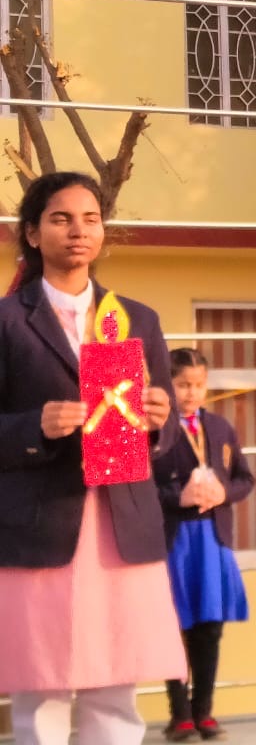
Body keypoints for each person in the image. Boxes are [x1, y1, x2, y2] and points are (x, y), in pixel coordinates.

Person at [0, 171, 187, 745]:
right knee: (43, 686)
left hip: (120, 523)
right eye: (61, 219)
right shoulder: (6, 322)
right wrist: (34, 426)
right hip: (40, 527)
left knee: (116, 685)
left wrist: (159, 420)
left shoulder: (138, 319)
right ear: (33, 233)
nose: (78, 231)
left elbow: (167, 430)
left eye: (90, 219)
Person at [154, 347, 254, 742]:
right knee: (174, 626)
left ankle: (204, 711)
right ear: (167, 384)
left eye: (198, 385)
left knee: (210, 627)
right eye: (182, 385)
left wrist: (223, 493)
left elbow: (245, 478)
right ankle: (179, 714)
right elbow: (140, 488)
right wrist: (176, 497)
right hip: (174, 540)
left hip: (213, 539)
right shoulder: (154, 431)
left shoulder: (221, 428)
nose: (191, 393)